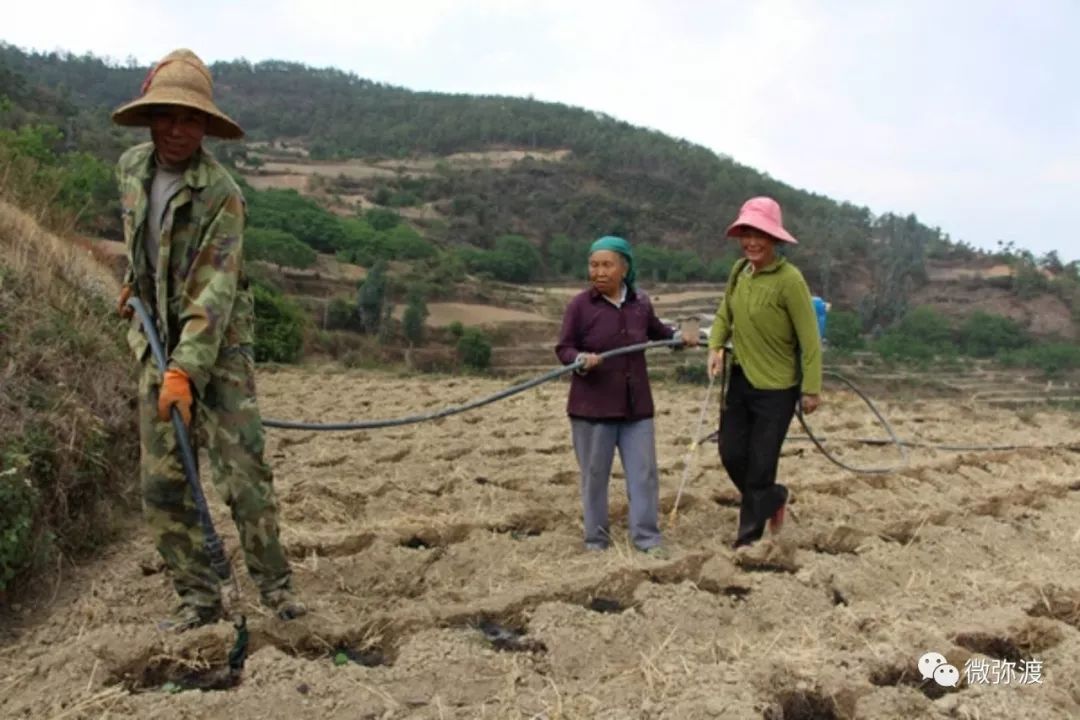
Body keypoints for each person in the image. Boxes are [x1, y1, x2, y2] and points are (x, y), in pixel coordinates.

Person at [111, 49, 305, 631]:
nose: (177, 129)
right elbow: (141, 244)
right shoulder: (129, 169)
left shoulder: (222, 193)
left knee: (243, 477)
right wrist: (131, 286)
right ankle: (197, 597)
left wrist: (185, 372)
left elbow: (212, 292)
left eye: (190, 119)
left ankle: (276, 589)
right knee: (162, 482)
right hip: (155, 340)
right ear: (151, 117)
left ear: (205, 127)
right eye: (168, 115)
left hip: (217, 351)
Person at [555, 236, 696, 557]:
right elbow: (564, 347)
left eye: (607, 265)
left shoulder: (640, 303)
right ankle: (596, 540)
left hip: (636, 408)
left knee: (643, 474)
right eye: (594, 265)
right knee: (594, 476)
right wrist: (580, 359)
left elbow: (660, 334)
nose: (599, 272)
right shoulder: (580, 306)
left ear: (625, 268)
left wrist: (681, 338)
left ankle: (647, 538)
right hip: (592, 408)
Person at [706, 197, 823, 549]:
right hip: (741, 380)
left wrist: (811, 388)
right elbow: (725, 313)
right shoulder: (739, 272)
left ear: (774, 238)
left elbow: (809, 338)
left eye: (760, 234)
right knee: (730, 453)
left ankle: (748, 540)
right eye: (747, 234)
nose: (752, 242)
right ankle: (772, 497)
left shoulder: (790, 280)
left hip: (778, 388)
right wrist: (715, 346)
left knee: (760, 464)